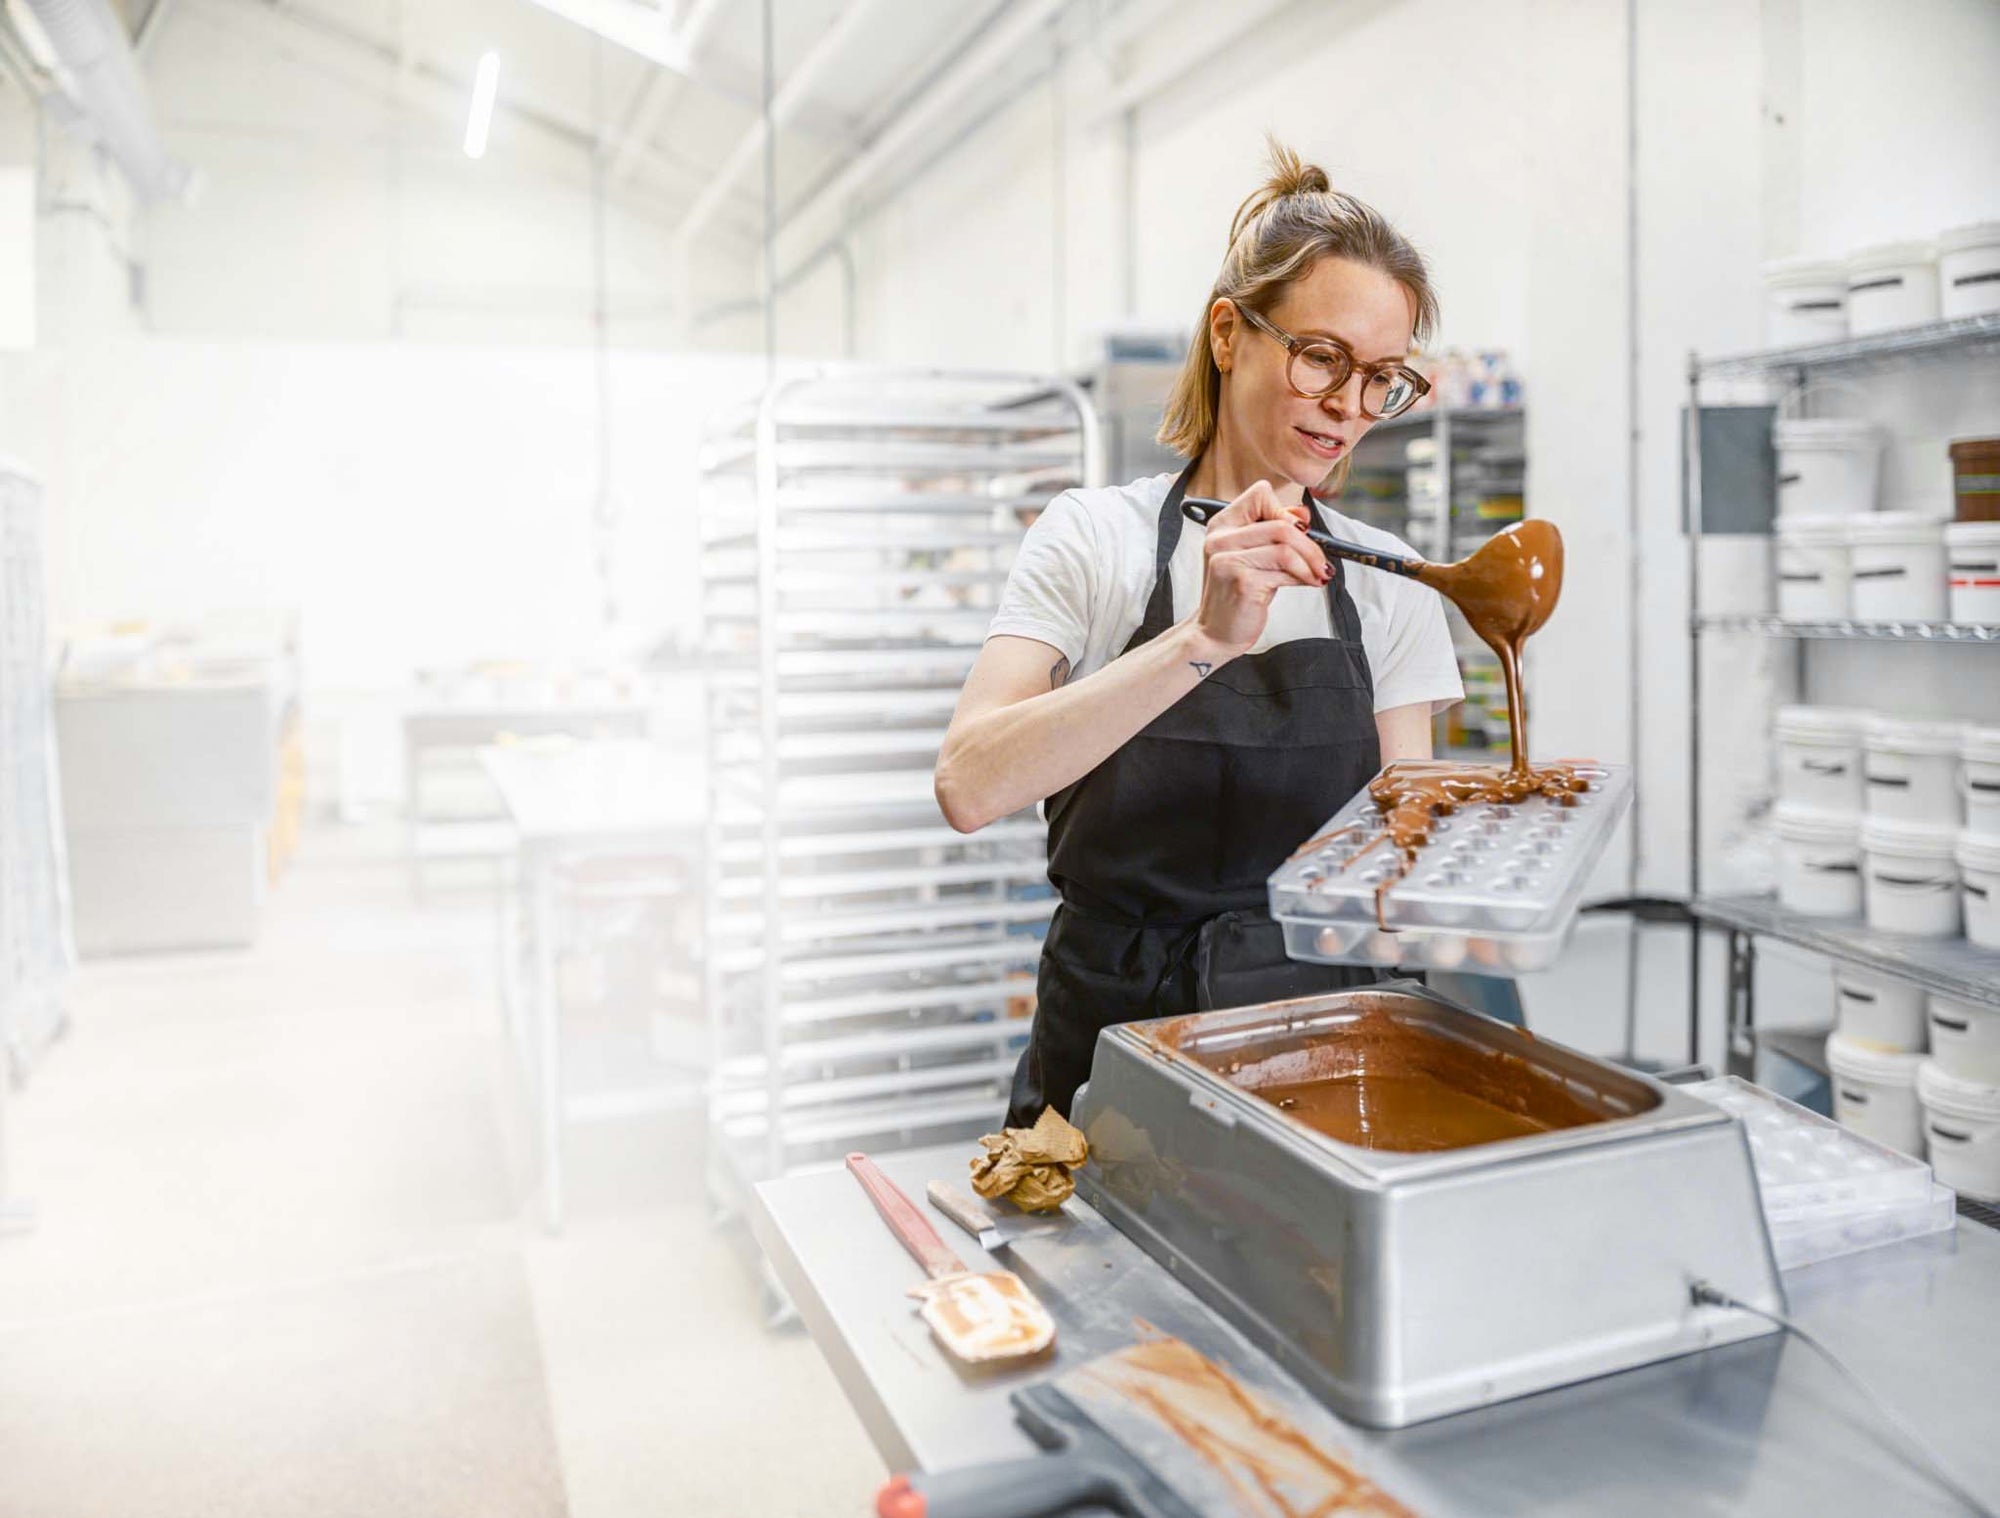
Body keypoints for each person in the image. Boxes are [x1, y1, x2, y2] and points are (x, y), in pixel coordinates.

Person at [935, 141, 1464, 1125]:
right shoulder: (1095, 538)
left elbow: (1399, 863)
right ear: (1229, 334)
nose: (1349, 407)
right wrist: (1199, 639)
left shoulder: (1391, 585)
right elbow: (969, 784)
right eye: (1321, 358)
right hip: (1110, 1073)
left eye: (1381, 378)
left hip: (1319, 1065)